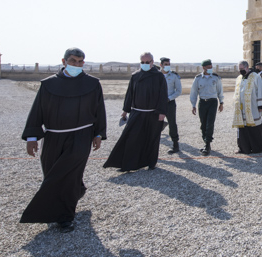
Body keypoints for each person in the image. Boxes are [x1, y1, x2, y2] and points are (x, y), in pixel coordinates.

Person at [21, 47, 106, 232]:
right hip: (53, 136)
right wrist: (32, 137)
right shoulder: (48, 85)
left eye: (80, 61)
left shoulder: (92, 84)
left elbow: (99, 110)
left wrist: (98, 134)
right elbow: (38, 111)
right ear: (64, 61)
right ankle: (77, 189)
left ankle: (65, 217)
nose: (77, 64)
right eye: (73, 61)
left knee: (67, 175)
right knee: (51, 172)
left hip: (81, 136)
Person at [104, 52, 168, 171]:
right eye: (142, 62)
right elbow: (130, 94)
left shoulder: (159, 76)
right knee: (131, 138)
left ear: (152, 62)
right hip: (137, 112)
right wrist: (125, 110)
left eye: (147, 62)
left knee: (152, 139)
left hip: (153, 113)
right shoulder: (135, 76)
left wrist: (162, 112)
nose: (144, 64)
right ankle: (127, 164)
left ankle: (151, 163)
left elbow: (163, 95)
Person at [232, 60, 262, 154]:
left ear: (247, 67)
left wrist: (260, 105)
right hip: (241, 108)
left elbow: (260, 90)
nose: (240, 71)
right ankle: (243, 148)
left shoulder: (256, 77)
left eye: (242, 69)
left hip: (252, 107)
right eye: (239, 69)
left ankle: (258, 147)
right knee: (242, 128)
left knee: (255, 126)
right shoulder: (239, 78)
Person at [190, 59, 224, 156]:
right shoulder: (198, 79)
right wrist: (193, 105)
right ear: (203, 68)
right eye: (208, 67)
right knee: (203, 124)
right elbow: (194, 92)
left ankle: (208, 144)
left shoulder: (216, 78)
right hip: (202, 102)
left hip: (212, 102)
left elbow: (220, 91)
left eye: (211, 67)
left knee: (210, 123)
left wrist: (221, 102)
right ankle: (205, 141)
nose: (210, 69)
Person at [160, 57, 182, 154]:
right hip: (157, 104)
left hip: (169, 103)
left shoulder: (174, 76)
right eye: (165, 64)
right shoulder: (156, 75)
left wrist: (169, 98)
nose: (167, 66)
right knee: (154, 123)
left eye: (169, 64)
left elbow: (179, 91)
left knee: (172, 123)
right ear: (161, 65)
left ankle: (175, 145)